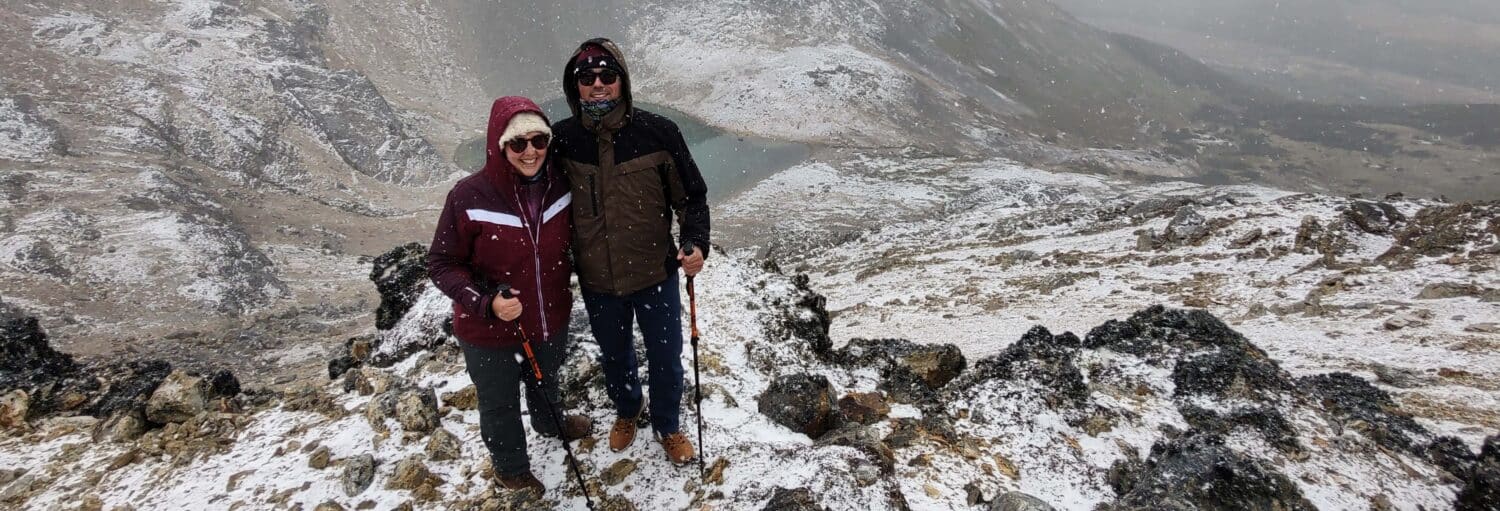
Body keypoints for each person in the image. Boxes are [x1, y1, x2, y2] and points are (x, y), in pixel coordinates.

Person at [550, 38, 711, 465]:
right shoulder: (562, 140)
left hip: (654, 272)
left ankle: (667, 424)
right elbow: (542, 201)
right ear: (575, 85)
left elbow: (691, 198)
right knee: (614, 354)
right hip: (597, 279)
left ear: (622, 81)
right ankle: (628, 409)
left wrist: (696, 242)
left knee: (665, 356)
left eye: (607, 75)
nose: (597, 84)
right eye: (587, 77)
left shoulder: (658, 133)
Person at [427, 96, 592, 495]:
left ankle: (549, 422)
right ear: (499, 145)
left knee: (545, 379)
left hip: (549, 316)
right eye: (518, 143)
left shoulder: (560, 186)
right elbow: (442, 263)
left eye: (539, 140)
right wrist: (485, 303)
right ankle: (511, 468)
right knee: (499, 403)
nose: (530, 151)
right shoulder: (469, 196)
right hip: (488, 331)